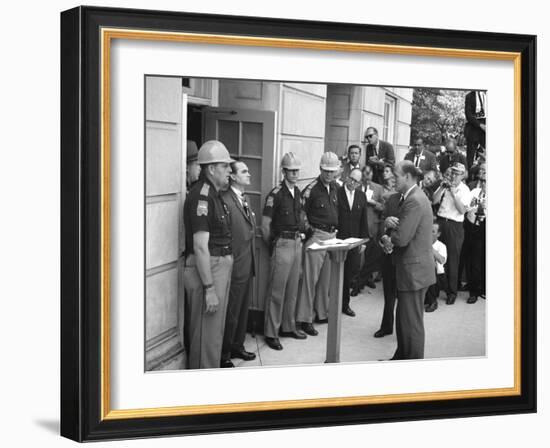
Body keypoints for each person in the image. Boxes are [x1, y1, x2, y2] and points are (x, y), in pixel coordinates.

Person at [183, 140, 234, 369]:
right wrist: (209, 289)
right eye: (225, 166)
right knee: (206, 335)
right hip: (209, 269)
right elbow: (200, 246)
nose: (229, 170)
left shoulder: (214, 194)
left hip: (217, 266)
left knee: (213, 334)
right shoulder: (202, 196)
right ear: (211, 169)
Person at [380, 161, 435, 360]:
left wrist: (388, 237)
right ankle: (401, 358)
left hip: (414, 272)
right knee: (405, 321)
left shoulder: (414, 200)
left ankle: (412, 365)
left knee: (411, 323)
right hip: (412, 270)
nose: (391, 178)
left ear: (408, 177)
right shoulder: (412, 197)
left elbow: (402, 238)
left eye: (395, 175)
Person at [262, 153, 308, 351]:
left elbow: (301, 218)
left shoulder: (297, 192)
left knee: (292, 289)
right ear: (284, 171)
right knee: (277, 291)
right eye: (291, 170)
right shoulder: (276, 194)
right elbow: (265, 226)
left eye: (297, 170)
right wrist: (274, 246)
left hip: (297, 243)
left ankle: (288, 326)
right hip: (282, 243)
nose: (295, 173)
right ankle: (271, 332)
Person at [297, 151, 340, 336]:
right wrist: (309, 232)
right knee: (310, 281)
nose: (329, 174)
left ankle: (322, 313)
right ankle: (305, 319)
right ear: (320, 169)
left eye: (332, 171)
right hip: (317, 236)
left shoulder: (335, 188)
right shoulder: (311, 189)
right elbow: (300, 214)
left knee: (325, 280)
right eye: (326, 171)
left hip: (331, 236)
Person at [220, 161, 257, 367]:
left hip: (247, 262)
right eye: (244, 171)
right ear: (233, 176)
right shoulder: (225, 199)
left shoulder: (245, 198)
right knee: (231, 311)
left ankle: (237, 345)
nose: (249, 174)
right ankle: (224, 353)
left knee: (243, 310)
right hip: (234, 265)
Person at [432, 162, 472, 304]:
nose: (454, 175)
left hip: (455, 224)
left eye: (457, 173)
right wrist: (442, 187)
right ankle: (435, 289)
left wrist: (454, 193)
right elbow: (434, 200)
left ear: (462, 175)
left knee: (453, 259)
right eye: (453, 172)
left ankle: (451, 291)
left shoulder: (465, 190)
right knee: (436, 254)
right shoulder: (446, 185)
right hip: (441, 221)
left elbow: (462, 210)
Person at [336, 168, 369, 316]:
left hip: (354, 241)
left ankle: (345, 304)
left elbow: (364, 220)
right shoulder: (337, 193)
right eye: (350, 178)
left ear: (359, 183)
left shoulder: (361, 197)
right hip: (338, 240)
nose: (352, 182)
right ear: (346, 177)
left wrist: (363, 241)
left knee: (350, 273)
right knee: (336, 274)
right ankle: (333, 305)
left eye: (356, 181)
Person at [373, 191, 401, 338]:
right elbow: (382, 220)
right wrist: (384, 234)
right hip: (388, 252)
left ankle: (403, 331)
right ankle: (386, 326)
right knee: (388, 293)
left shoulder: (417, 199)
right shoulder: (392, 199)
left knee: (403, 296)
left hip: (404, 255)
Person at [354, 164, 384, 292]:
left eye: (369, 173)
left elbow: (383, 207)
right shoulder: (357, 187)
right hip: (359, 226)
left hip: (372, 226)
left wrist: (374, 203)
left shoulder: (378, 188)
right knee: (358, 257)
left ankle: (367, 279)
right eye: (365, 173)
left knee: (371, 256)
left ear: (372, 174)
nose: (367, 175)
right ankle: (357, 282)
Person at [463, 173, 487, 304]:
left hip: (485, 226)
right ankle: (474, 291)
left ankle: (482, 288)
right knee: (473, 260)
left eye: (486, 181)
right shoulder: (475, 192)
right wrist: (473, 207)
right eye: (482, 180)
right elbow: (465, 206)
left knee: (483, 259)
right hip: (472, 226)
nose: (483, 183)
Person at [424, 222, 448, 313]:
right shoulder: (421, 243)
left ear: (438, 234)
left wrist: (430, 248)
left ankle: (433, 302)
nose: (429, 234)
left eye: (433, 232)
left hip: (437, 276)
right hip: (424, 273)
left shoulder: (441, 246)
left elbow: (442, 260)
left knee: (432, 268)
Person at [464, 90, 487, 171]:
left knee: (485, 154)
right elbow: (468, 115)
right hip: (474, 127)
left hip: (487, 127)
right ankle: (469, 177)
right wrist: (480, 125)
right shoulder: (469, 96)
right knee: (470, 156)